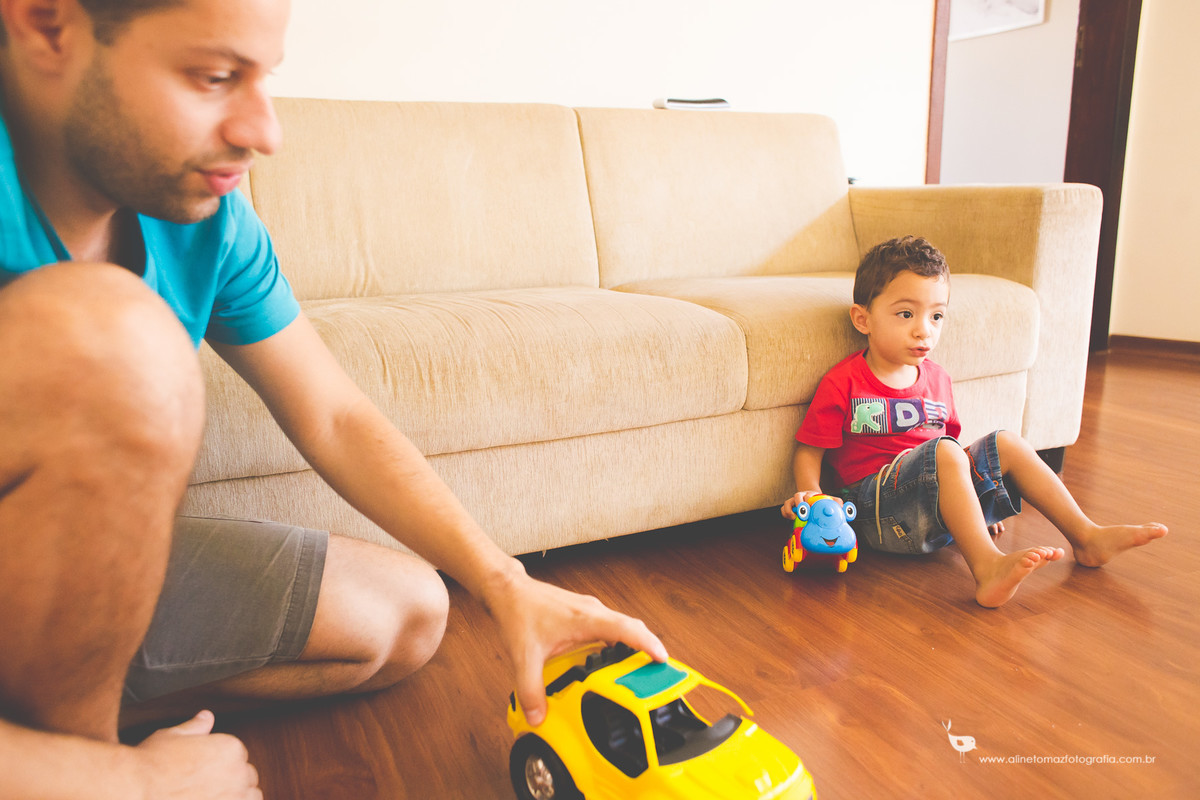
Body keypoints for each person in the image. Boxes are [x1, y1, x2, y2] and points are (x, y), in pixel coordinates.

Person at [0, 1, 667, 797]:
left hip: (57, 572)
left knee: (408, 613)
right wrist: (129, 786)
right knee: (115, 337)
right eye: (214, 77)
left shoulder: (205, 218)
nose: (265, 131)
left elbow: (334, 416)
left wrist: (505, 583)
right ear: (46, 26)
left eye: (262, 77)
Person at [780, 235, 1166, 608]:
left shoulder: (939, 379)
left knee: (1006, 442)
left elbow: (954, 464)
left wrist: (974, 511)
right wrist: (811, 497)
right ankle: (986, 567)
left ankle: (1086, 536)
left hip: (929, 502)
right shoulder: (843, 382)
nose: (923, 329)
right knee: (946, 452)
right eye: (905, 314)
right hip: (873, 511)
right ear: (862, 319)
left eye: (936, 316)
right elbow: (809, 451)